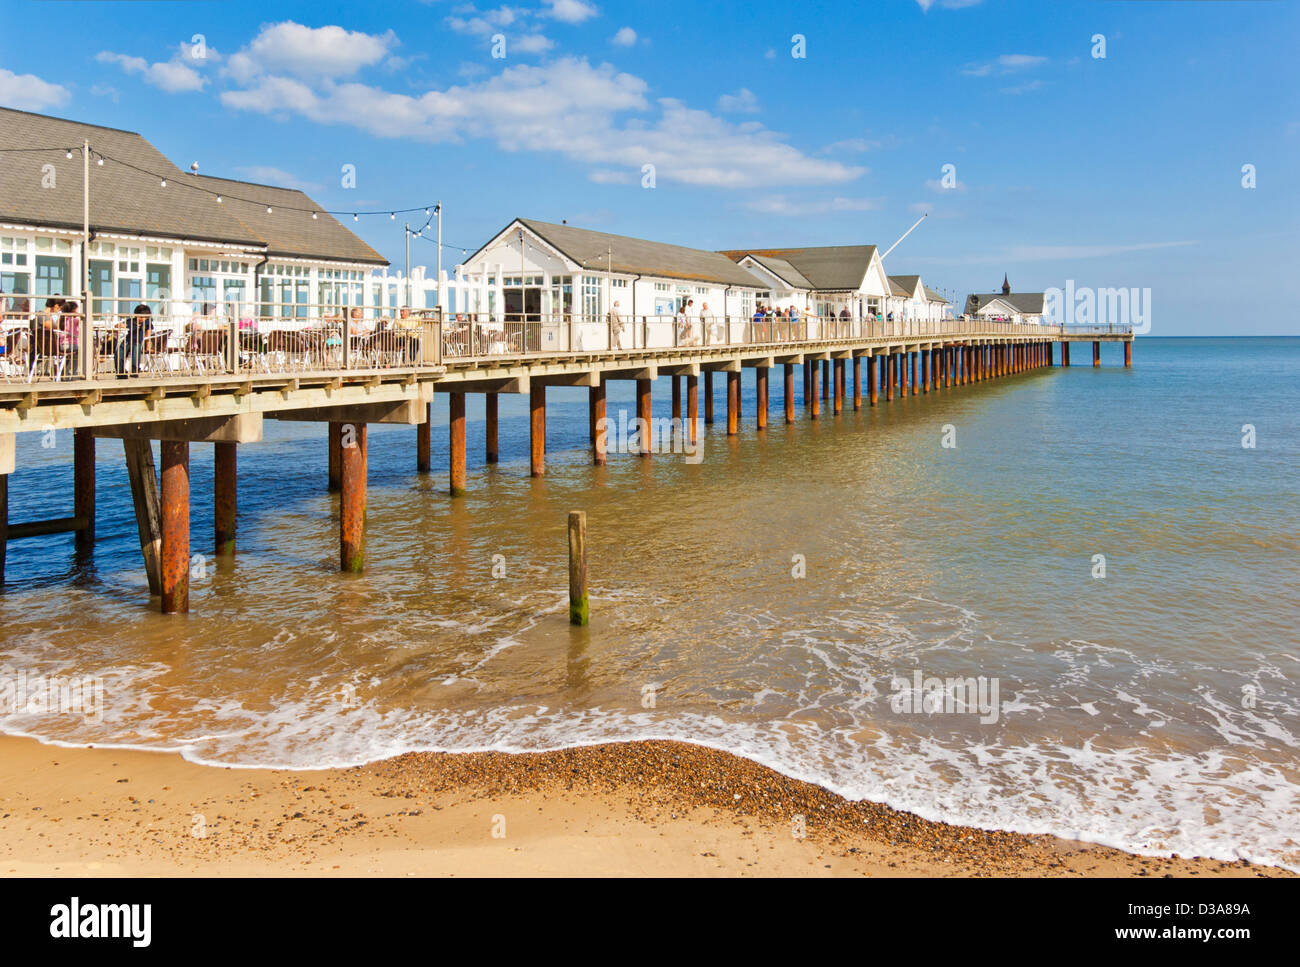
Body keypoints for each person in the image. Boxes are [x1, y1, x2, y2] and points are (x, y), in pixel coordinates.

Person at [116, 303, 153, 377]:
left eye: (143, 317)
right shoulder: (131, 321)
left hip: (138, 342)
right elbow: (117, 325)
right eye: (139, 316)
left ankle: (134, 371)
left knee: (136, 348)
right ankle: (121, 372)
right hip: (127, 341)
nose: (141, 319)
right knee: (119, 351)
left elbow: (148, 336)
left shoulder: (147, 323)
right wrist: (121, 325)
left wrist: (147, 346)